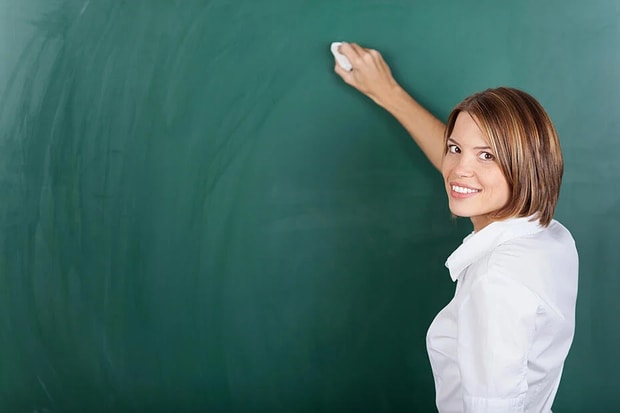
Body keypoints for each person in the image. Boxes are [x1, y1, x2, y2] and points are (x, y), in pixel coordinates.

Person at [332, 42, 578, 413]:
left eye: (487, 154)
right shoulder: (549, 237)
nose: (459, 168)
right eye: (454, 148)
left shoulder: (497, 280)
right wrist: (388, 94)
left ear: (525, 164)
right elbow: (472, 175)